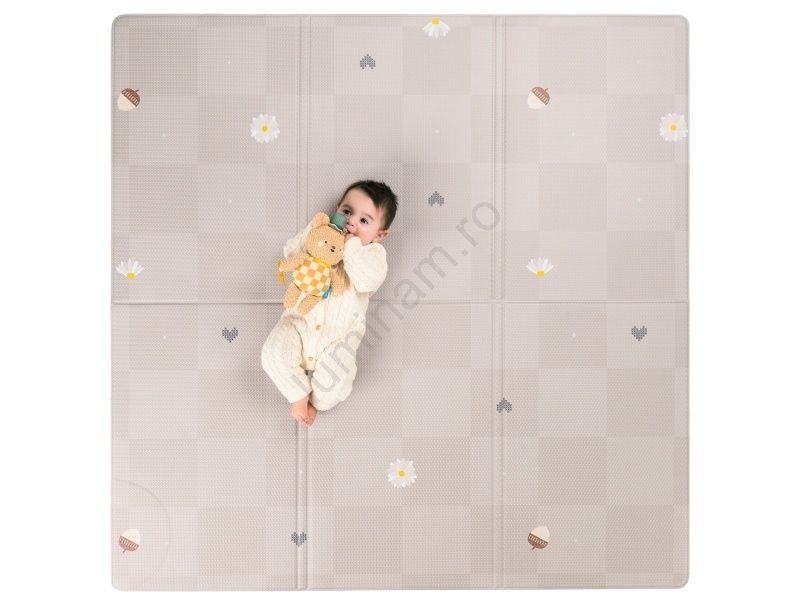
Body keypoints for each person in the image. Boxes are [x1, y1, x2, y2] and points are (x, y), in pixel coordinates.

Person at [261, 180, 397, 426]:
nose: (351, 222)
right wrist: (315, 233)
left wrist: (351, 246)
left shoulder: (373, 255)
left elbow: (368, 280)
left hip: (338, 339)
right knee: (272, 354)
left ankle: (316, 403)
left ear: (380, 235)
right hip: (299, 322)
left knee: (336, 384)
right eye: (347, 212)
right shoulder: (319, 239)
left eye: (364, 221)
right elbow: (291, 253)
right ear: (337, 211)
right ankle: (298, 394)